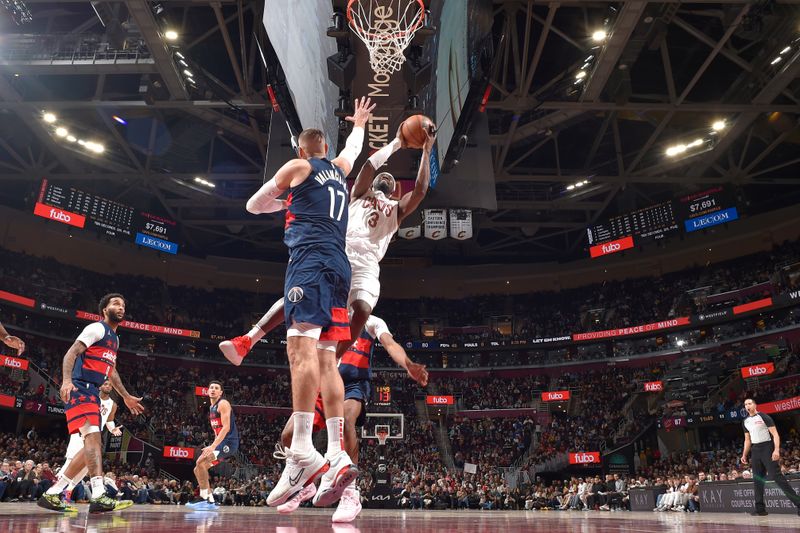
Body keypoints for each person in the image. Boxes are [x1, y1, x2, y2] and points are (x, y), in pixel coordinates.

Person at [241, 97, 375, 508]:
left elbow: (254, 204)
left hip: (310, 263)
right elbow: (353, 151)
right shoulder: (339, 170)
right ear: (324, 150)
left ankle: (301, 450)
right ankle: (334, 452)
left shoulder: (298, 168)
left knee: (298, 352)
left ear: (301, 151)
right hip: (340, 268)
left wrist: (287, 200)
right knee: (326, 358)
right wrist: (359, 125)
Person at [275, 315, 428, 522]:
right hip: (322, 382)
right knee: (288, 435)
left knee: (347, 421)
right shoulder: (327, 314)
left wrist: (408, 364)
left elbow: (391, 344)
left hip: (353, 385)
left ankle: (350, 494)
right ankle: (306, 484)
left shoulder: (372, 321)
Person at [336, 122, 436, 358]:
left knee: (362, 310)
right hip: (342, 253)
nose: (387, 178)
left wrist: (427, 151)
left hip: (368, 264)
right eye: (384, 176)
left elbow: (421, 191)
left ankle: (336, 356)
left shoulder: (396, 209)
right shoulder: (359, 193)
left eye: (391, 179)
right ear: (374, 183)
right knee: (314, 298)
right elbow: (370, 164)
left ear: (394, 192)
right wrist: (397, 144)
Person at [38, 293, 143, 514]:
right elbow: (71, 353)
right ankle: (98, 494)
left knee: (90, 448)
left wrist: (125, 395)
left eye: (123, 304)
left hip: (92, 391)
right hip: (80, 387)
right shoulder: (96, 328)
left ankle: (53, 493)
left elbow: (111, 371)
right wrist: (66, 381)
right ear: (105, 309)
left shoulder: (115, 339)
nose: (121, 307)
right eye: (116, 304)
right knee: (94, 440)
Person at [56, 379, 122, 502]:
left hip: (94, 436)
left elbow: (109, 420)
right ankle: (55, 490)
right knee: (71, 462)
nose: (108, 386)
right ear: (100, 386)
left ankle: (68, 491)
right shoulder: (91, 397)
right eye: (106, 384)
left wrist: (113, 430)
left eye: (110, 385)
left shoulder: (112, 405)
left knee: (87, 466)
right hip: (81, 432)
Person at [741, 397, 800, 516]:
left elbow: (775, 434)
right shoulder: (745, 421)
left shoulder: (764, 417)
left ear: (755, 405)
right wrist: (744, 454)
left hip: (767, 447)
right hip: (755, 449)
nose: (748, 406)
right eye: (746, 404)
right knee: (758, 480)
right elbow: (747, 440)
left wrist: (776, 450)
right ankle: (760, 509)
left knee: (777, 477)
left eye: (750, 403)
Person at [187, 381, 239, 510]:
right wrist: (213, 444)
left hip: (229, 443)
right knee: (198, 468)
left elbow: (226, 428)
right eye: (211, 387)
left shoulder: (223, 404)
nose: (213, 390)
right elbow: (218, 431)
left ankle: (204, 498)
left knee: (200, 462)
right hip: (221, 443)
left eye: (216, 388)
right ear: (208, 391)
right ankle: (210, 500)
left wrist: (213, 446)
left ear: (221, 392)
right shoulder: (211, 407)